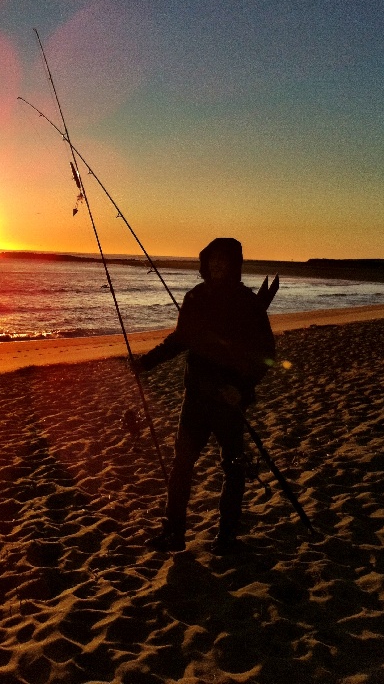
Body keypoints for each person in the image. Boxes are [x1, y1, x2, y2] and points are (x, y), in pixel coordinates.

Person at [135, 237, 275, 552]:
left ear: (235, 265)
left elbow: (265, 353)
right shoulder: (195, 297)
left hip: (229, 402)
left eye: (223, 260)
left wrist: (241, 389)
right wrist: (146, 363)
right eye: (212, 260)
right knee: (181, 464)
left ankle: (226, 537)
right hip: (195, 398)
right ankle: (173, 533)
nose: (216, 265)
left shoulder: (248, 303)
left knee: (234, 466)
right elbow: (179, 339)